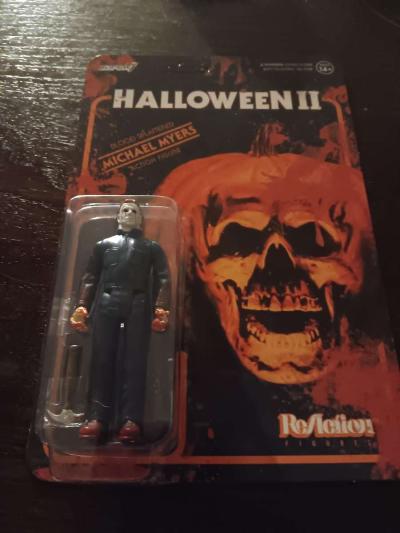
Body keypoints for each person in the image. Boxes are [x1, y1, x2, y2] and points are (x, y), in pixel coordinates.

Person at [70, 199, 170, 443]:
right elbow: (90, 277)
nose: (128, 213)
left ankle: (131, 419)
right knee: (102, 359)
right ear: (118, 216)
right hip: (107, 302)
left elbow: (163, 278)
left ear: (140, 218)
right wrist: (82, 305)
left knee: (135, 361)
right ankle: (96, 417)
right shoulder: (103, 245)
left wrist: (161, 307)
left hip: (138, 303)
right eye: (124, 210)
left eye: (134, 211)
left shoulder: (151, 247)